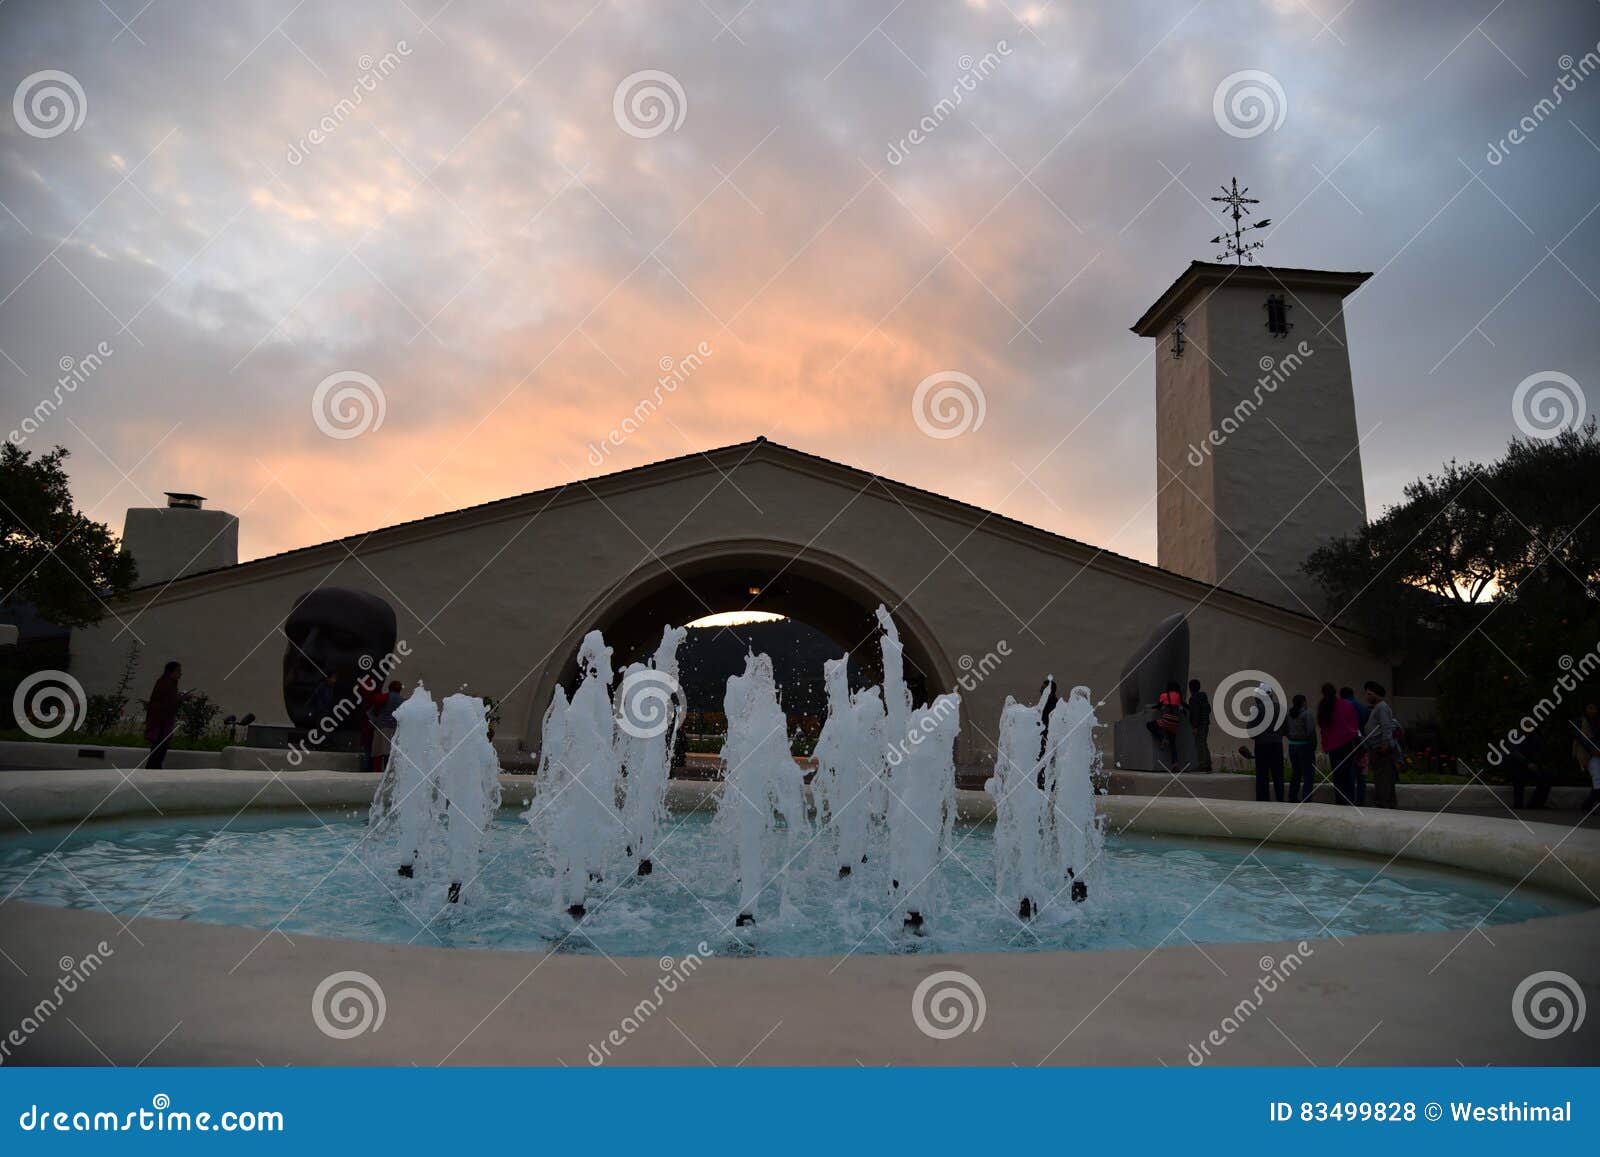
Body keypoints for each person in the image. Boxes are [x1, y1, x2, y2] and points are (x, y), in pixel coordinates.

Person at [1318, 683, 1362, 806]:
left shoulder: (1323, 706)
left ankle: (1340, 801)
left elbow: (1323, 728)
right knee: (1348, 774)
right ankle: (1349, 800)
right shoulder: (1345, 705)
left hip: (1333, 746)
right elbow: (1354, 725)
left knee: (1337, 775)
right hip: (1347, 744)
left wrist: (1325, 745)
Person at [1361, 680, 1400, 809]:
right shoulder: (1377, 708)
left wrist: (1385, 744)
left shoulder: (1382, 707)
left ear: (1376, 694)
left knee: (1384, 778)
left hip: (1382, 748)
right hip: (1376, 747)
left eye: (1369, 694)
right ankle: (1385, 802)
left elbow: (1386, 726)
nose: (1367, 697)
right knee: (1381, 777)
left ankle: (1384, 803)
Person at [142, 661, 184, 770]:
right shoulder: (165, 684)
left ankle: (154, 769)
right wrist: (181, 698)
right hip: (160, 723)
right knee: (158, 749)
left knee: (160, 749)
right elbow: (166, 703)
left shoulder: (169, 683)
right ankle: (153, 770)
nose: (180, 674)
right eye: (178, 671)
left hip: (164, 722)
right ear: (170, 672)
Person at [1248, 684, 1286, 802]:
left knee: (1262, 775)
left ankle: (1263, 800)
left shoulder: (1257, 709)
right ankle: (1280, 799)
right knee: (1278, 774)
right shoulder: (1280, 708)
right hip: (1276, 745)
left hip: (1261, 745)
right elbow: (1286, 728)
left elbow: (1250, 730)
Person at [1505, 722, 1551, 810]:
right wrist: (1527, 763)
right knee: (1518, 777)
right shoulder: (1515, 736)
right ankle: (1518, 804)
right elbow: (1514, 753)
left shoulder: (1534, 736)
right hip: (1516, 766)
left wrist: (1537, 763)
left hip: (1530, 766)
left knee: (1545, 778)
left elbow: (1540, 750)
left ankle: (1535, 803)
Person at [1284, 693, 1318, 802]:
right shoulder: (1307, 714)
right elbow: (1311, 731)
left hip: (1292, 746)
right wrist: (1313, 746)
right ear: (1303, 702)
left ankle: (1292, 796)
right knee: (1308, 774)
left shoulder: (1288, 715)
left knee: (1296, 772)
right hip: (1304, 746)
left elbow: (1285, 730)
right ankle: (1307, 798)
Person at [1147, 680, 1185, 772]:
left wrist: (1151, 707)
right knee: (1173, 744)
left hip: (1166, 719)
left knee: (1150, 725)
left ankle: (1162, 738)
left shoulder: (1164, 695)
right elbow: (1182, 706)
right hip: (1175, 722)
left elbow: (1159, 706)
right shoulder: (1178, 696)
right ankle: (1175, 764)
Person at [1341, 686, 1371, 804]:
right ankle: (1360, 799)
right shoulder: (1363, 708)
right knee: (1361, 773)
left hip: (1348, 743)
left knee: (1349, 772)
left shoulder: (1343, 707)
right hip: (1362, 743)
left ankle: (1350, 799)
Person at [1572, 703, 1600, 814]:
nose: (1592, 711)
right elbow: (1581, 738)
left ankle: (1587, 805)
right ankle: (1588, 805)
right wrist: (1593, 750)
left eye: (1594, 708)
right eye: (1590, 708)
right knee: (1597, 779)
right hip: (1587, 754)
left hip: (1597, 753)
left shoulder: (1598, 721)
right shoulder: (1579, 721)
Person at [1188, 678, 1212, 772]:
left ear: (1191, 688)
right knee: (1203, 744)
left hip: (1199, 725)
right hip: (1205, 724)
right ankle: (1207, 764)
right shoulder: (1204, 697)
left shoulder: (1193, 699)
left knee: (1200, 745)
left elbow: (1195, 713)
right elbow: (1208, 709)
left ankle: (1203, 765)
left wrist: (1194, 726)